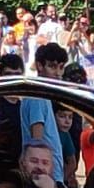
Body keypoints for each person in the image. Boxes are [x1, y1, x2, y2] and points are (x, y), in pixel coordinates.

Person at [22, 45, 68, 177]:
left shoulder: (42, 95)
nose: (58, 73)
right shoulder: (37, 97)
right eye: (52, 66)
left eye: (61, 67)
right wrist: (44, 179)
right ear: (39, 66)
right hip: (45, 176)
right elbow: (37, 139)